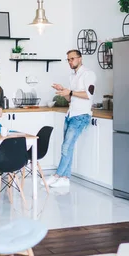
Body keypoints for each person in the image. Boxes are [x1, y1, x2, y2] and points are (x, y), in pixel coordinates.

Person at [48, 49, 96, 188]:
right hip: (71, 114)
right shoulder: (72, 76)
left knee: (66, 147)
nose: (70, 61)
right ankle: (65, 178)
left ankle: (57, 175)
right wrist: (64, 91)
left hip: (81, 116)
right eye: (68, 59)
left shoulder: (88, 74)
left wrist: (70, 91)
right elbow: (71, 98)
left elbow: (88, 95)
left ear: (80, 58)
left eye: (72, 59)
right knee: (68, 147)